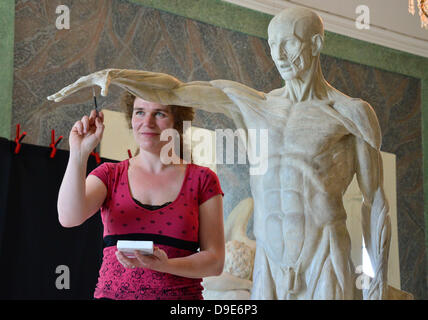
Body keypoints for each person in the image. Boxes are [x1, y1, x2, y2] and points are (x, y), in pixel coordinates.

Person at [49, 7, 391, 300]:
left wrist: (376, 282)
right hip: (269, 261)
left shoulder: (350, 113)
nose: (280, 56)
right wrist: (113, 75)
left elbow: (374, 200)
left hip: (324, 250)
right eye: (273, 46)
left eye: (289, 43)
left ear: (316, 43)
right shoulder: (254, 105)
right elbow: (175, 89)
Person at [56, 91, 225, 300]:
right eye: (140, 112)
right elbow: (68, 217)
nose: (147, 122)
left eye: (159, 114)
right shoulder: (110, 174)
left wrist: (166, 265)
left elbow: (215, 261)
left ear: (178, 122)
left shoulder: (203, 179)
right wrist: (78, 152)